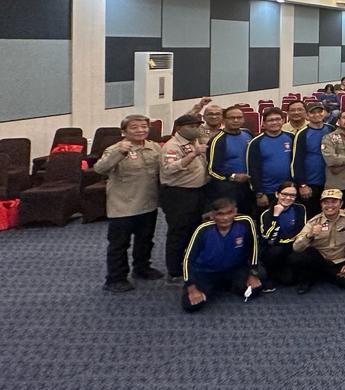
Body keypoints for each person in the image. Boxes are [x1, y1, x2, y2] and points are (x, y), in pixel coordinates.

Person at [95, 114, 164, 293]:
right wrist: (120, 153)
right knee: (119, 244)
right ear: (124, 131)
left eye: (144, 127)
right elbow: (100, 169)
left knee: (145, 240)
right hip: (122, 206)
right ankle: (115, 278)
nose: (140, 130)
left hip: (148, 203)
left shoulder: (154, 147)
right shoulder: (115, 149)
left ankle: (142, 268)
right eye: (134, 127)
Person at [180, 198, 262, 312]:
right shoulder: (203, 230)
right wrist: (191, 287)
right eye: (220, 214)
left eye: (229, 213)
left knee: (256, 289)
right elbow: (187, 260)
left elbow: (254, 248)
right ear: (212, 215)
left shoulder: (245, 222)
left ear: (235, 211)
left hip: (234, 269)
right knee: (190, 305)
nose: (225, 218)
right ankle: (214, 286)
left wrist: (253, 274)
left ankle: (224, 285)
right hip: (205, 273)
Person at [159, 113, 208, 286]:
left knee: (193, 231)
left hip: (197, 192)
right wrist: (193, 154)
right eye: (191, 127)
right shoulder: (172, 146)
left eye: (197, 126)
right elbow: (169, 169)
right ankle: (174, 272)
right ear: (179, 128)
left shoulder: (194, 141)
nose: (196, 129)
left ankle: (188, 264)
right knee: (178, 233)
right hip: (178, 194)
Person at [291, 189, 345, 293]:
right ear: (321, 204)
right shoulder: (313, 222)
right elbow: (296, 248)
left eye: (334, 202)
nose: (330, 206)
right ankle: (308, 279)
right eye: (326, 202)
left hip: (340, 260)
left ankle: (324, 275)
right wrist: (310, 235)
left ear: (341, 203)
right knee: (301, 256)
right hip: (321, 260)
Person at [257, 181, 308, 286]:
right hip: (274, 248)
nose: (288, 198)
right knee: (276, 251)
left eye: (292, 195)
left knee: (290, 279)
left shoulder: (300, 209)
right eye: (284, 194)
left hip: (291, 246)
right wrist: (275, 216)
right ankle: (269, 273)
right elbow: (269, 238)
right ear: (277, 194)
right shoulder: (266, 214)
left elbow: (302, 230)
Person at [206, 105, 254, 214]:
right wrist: (233, 177)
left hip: (248, 186)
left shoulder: (248, 134)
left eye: (239, 117)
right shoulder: (217, 140)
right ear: (224, 120)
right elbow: (212, 170)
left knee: (248, 217)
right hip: (228, 189)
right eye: (232, 118)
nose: (236, 120)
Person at [246, 107, 294, 210]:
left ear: (283, 120)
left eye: (278, 119)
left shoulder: (291, 138)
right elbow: (253, 170)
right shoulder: (256, 143)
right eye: (271, 120)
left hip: (289, 190)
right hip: (267, 192)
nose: (275, 122)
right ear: (264, 124)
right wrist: (259, 193)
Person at [291, 102, 332, 217]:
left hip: (330, 181)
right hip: (311, 183)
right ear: (307, 115)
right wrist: (302, 184)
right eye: (312, 112)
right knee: (311, 217)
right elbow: (297, 161)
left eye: (319, 111)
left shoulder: (331, 129)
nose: (317, 115)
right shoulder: (302, 134)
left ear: (324, 113)